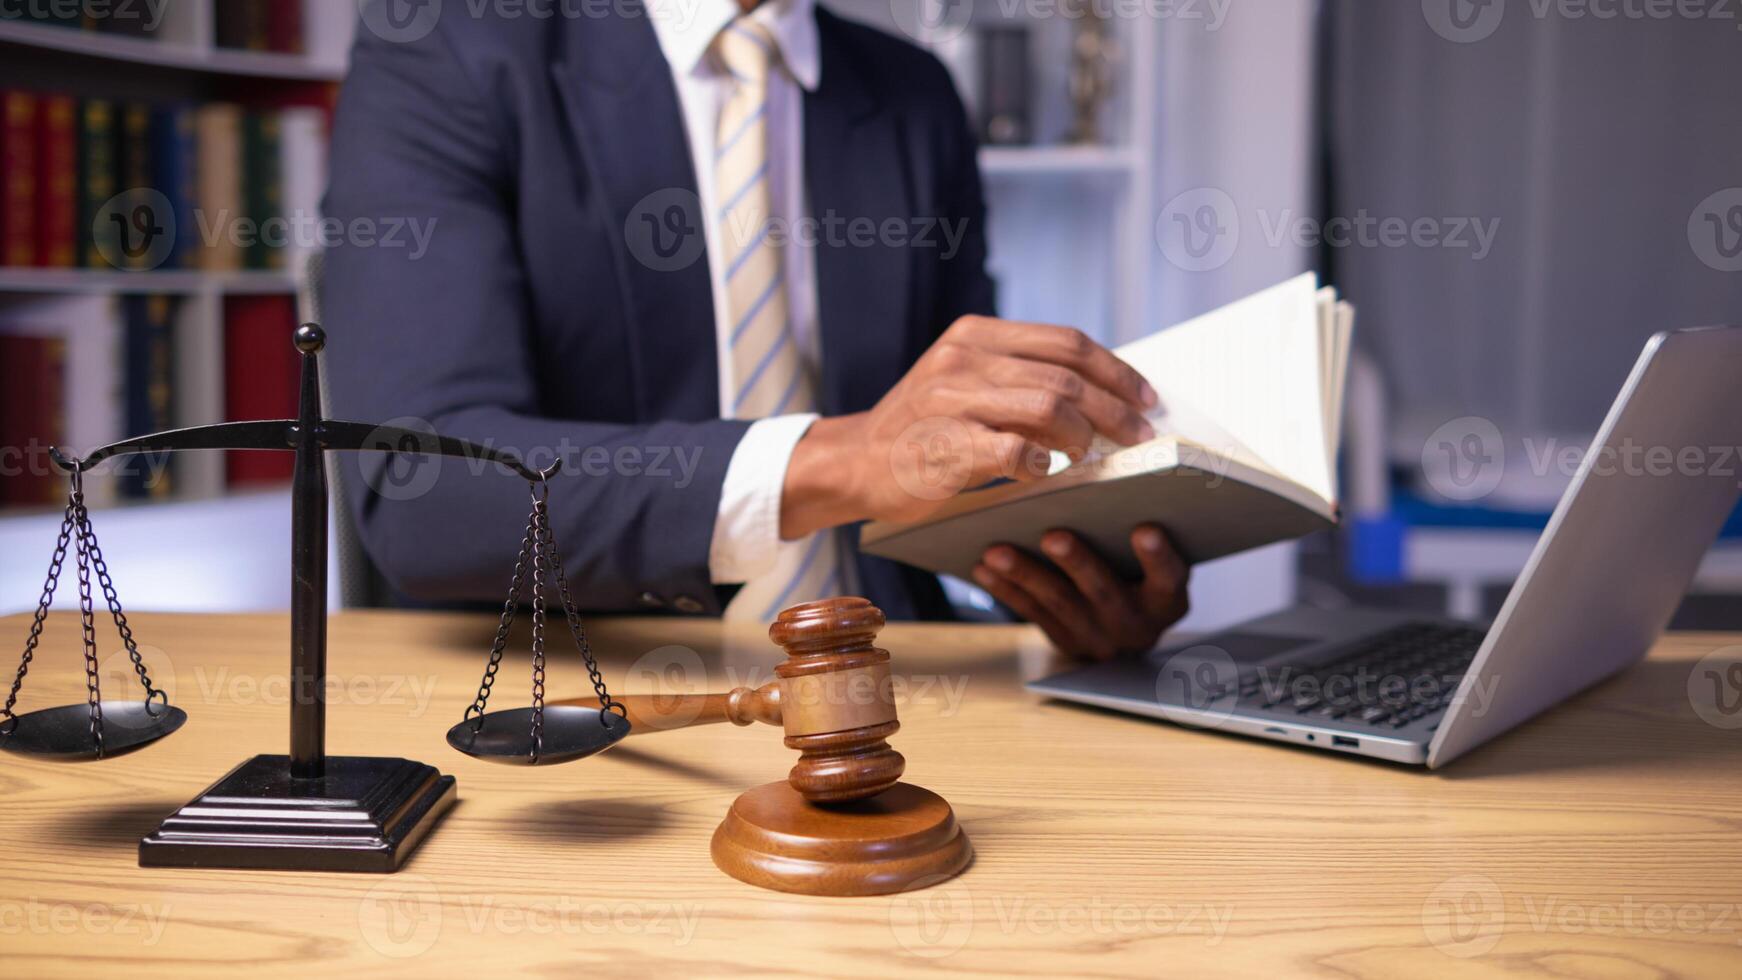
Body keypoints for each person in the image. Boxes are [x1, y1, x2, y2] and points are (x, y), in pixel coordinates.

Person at [322, 0, 1190, 660]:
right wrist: (845, 461)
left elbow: (946, 466)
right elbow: (423, 485)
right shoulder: (444, 48)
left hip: (895, 671)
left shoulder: (912, 94)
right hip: (597, 695)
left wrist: (1067, 571)